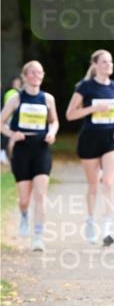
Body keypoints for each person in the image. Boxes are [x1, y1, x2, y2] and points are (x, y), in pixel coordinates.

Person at [65, 50, 114, 246]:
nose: (109, 65)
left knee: (108, 182)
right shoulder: (85, 86)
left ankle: (106, 227)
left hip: (111, 139)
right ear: (95, 65)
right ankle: (90, 221)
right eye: (104, 62)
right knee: (93, 185)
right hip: (90, 138)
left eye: (110, 61)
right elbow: (70, 115)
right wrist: (93, 109)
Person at [0, 61, 59, 251]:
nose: (36, 75)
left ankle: (38, 236)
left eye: (39, 72)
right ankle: (24, 215)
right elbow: (1, 123)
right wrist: (12, 134)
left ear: (42, 75)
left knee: (40, 194)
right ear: (25, 76)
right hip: (21, 149)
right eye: (32, 72)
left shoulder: (48, 98)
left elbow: (54, 121)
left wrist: (52, 132)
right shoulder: (16, 99)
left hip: (41, 147)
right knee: (24, 198)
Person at [1, 75, 22, 166]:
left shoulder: (22, 92)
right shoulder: (10, 93)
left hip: (19, 119)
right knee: (8, 137)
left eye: (18, 83)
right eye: (15, 83)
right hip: (9, 119)